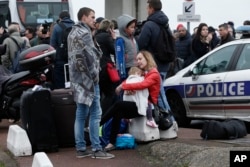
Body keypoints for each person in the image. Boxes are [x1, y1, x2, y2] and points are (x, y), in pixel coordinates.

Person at [67, 7, 114, 159]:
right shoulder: (85, 34)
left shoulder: (72, 33)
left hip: (77, 80)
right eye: (92, 17)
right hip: (89, 80)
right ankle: (96, 148)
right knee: (96, 113)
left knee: (80, 114)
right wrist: (95, 76)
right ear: (84, 18)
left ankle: (80, 148)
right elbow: (91, 58)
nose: (95, 20)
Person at [100, 50, 161, 151]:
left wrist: (123, 86)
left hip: (149, 108)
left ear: (147, 59)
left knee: (119, 104)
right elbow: (131, 80)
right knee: (118, 112)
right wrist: (127, 87)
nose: (138, 61)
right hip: (140, 104)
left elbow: (142, 85)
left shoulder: (153, 73)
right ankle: (111, 142)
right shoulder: (144, 73)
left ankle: (98, 124)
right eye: (137, 59)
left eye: (140, 59)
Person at [135, 0, 173, 118]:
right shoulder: (166, 23)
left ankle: (170, 121)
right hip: (165, 63)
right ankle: (165, 120)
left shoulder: (150, 24)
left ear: (151, 8)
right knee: (160, 93)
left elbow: (141, 43)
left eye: (147, 8)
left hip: (154, 64)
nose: (147, 10)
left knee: (159, 95)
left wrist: (136, 37)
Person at [94, 19, 118, 115]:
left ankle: (96, 114)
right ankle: (103, 114)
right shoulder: (107, 37)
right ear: (109, 29)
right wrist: (114, 38)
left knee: (99, 94)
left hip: (96, 68)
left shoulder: (95, 36)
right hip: (105, 68)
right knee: (110, 93)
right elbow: (114, 50)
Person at [50, 10, 75, 89]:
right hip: (75, 59)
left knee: (60, 82)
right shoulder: (76, 26)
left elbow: (52, 45)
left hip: (61, 60)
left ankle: (63, 98)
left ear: (60, 18)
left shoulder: (57, 27)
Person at [117, 14, 139, 78]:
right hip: (126, 69)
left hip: (134, 67)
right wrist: (122, 72)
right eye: (131, 27)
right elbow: (120, 57)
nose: (133, 29)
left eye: (134, 27)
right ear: (124, 28)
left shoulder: (133, 39)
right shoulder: (120, 40)